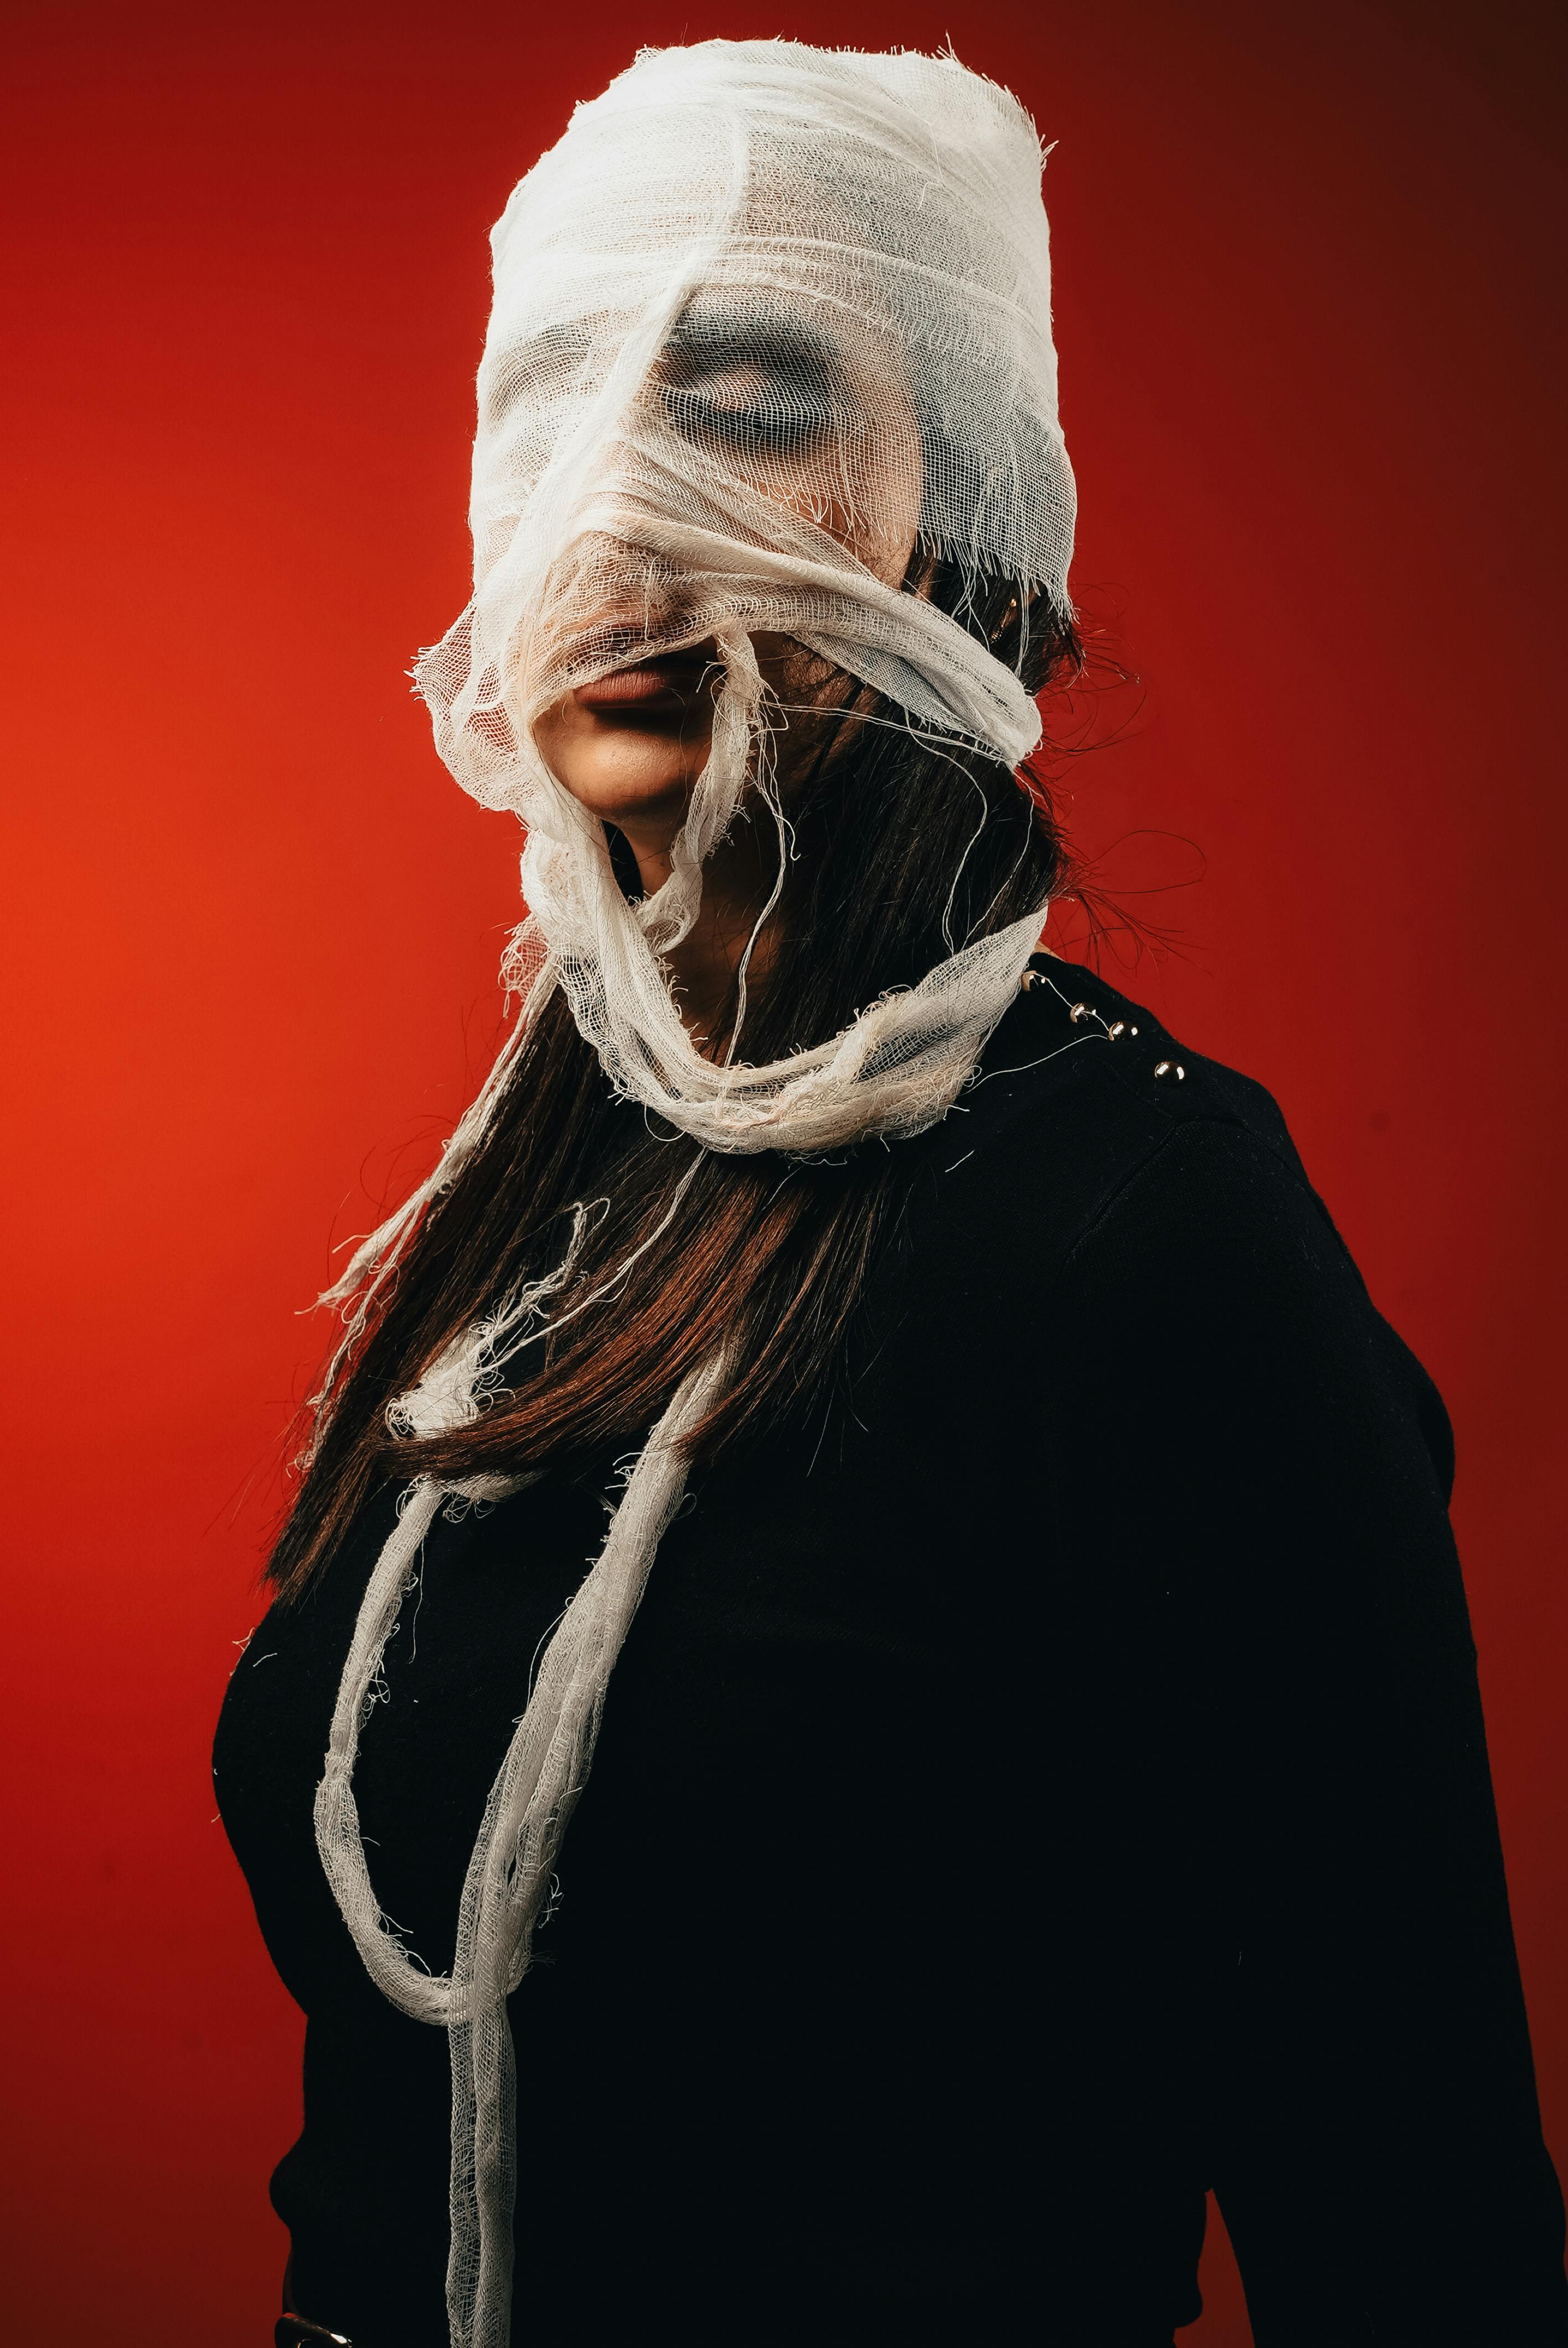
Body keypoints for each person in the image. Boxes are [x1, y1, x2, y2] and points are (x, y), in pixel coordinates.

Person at [213, 38, 1568, 2348]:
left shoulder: (1138, 1229)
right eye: (545, 399)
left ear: (959, 528)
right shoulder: (540, 1192)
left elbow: (1417, 2226)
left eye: (738, 396)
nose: (613, 497)